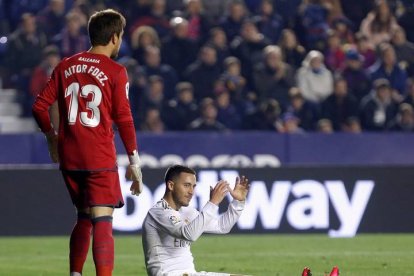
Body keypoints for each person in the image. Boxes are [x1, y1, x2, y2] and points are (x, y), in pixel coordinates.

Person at [32, 9, 143, 276]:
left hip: (70, 157)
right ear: (115, 37)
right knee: (102, 219)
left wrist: (52, 137)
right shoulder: (116, 71)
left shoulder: (65, 65)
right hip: (99, 155)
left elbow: (39, 107)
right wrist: (134, 161)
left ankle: (75, 273)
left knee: (83, 216)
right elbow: (124, 119)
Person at [142, 165, 250, 276]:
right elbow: (189, 234)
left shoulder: (187, 211)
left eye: (193, 186)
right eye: (186, 185)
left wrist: (238, 202)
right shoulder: (159, 212)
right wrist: (212, 203)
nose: (191, 191)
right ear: (171, 185)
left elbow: (222, 227)